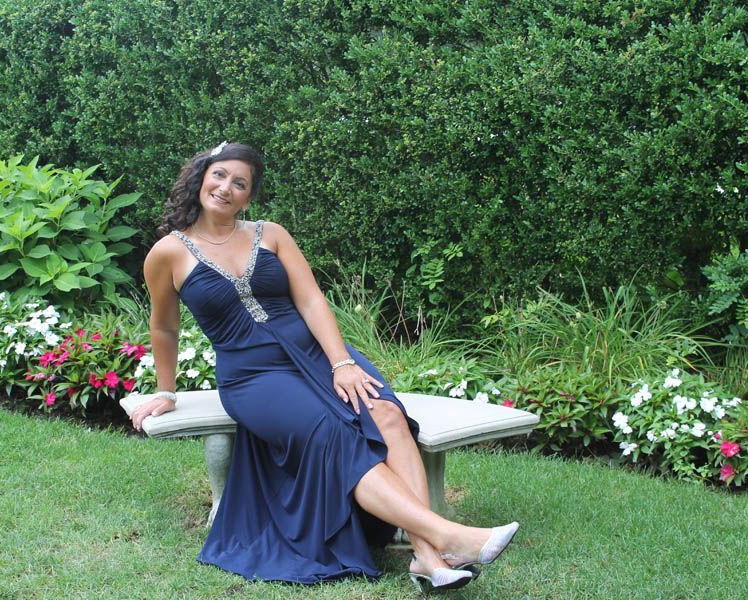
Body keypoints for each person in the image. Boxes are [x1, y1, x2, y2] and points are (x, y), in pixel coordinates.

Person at [130, 142, 519, 592]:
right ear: (201, 177)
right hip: (255, 377)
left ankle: (426, 558)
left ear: (249, 197)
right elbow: (164, 329)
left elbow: (311, 299)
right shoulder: (167, 254)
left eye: (240, 183)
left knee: (387, 414)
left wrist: (341, 363)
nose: (226, 188)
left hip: (317, 353)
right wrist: (166, 391)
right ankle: (449, 536)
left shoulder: (270, 233)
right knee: (332, 434)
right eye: (219, 176)